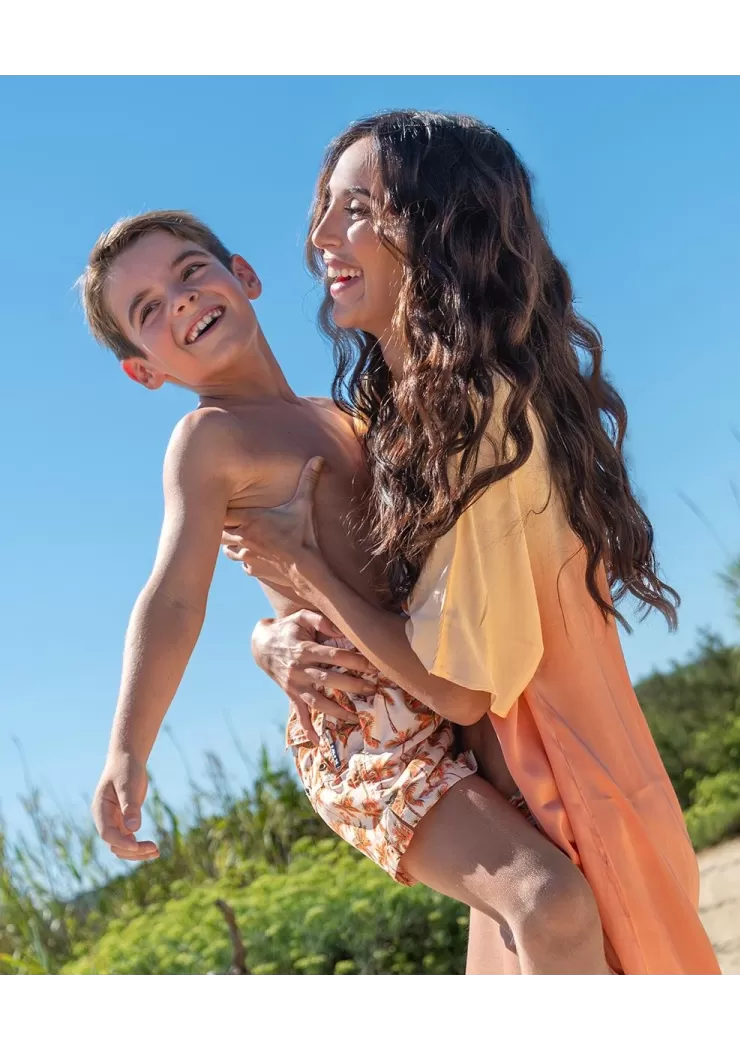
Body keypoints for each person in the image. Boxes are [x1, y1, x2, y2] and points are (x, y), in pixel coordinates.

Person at [225, 111, 721, 975]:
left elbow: (456, 689)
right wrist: (269, 637)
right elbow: (381, 601)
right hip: (522, 789)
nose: (319, 236)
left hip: (565, 789)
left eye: (356, 209)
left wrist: (300, 569)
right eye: (323, 209)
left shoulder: (480, 416)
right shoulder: (400, 413)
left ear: (437, 228)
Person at [82, 210, 610, 975]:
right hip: (368, 727)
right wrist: (127, 750)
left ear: (244, 275)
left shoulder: (347, 417)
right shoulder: (209, 440)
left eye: (190, 272)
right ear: (144, 369)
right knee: (544, 899)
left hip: (441, 668)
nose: (181, 301)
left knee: (546, 893)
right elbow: (173, 597)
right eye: (149, 310)